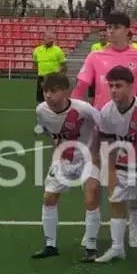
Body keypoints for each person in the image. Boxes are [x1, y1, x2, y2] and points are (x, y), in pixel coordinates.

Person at [72, 11, 137, 249]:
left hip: (132, 130)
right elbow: (82, 86)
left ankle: (134, 225)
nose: (110, 31)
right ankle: (91, 231)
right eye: (108, 27)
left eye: (116, 27)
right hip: (100, 127)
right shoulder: (95, 56)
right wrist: (74, 111)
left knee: (132, 182)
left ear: (128, 30)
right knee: (94, 180)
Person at [31, 73, 102, 261]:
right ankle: (50, 245)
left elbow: (104, 129)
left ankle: (91, 247)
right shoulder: (41, 111)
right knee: (49, 197)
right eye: (46, 91)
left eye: (53, 91)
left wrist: (96, 154)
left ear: (65, 92)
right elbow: (49, 133)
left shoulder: (84, 109)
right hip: (63, 160)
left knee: (90, 197)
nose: (48, 96)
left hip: (88, 158)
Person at [93, 66, 137, 263]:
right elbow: (107, 143)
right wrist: (111, 171)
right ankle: (117, 247)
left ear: (131, 86)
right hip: (122, 164)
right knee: (115, 202)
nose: (113, 90)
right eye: (111, 85)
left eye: (118, 86)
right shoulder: (106, 111)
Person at [32, 31, 67, 135]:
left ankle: (55, 124)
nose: (51, 40)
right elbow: (35, 63)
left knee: (55, 102)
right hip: (42, 78)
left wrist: (58, 77)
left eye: (53, 38)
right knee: (40, 101)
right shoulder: (37, 50)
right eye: (49, 38)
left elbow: (64, 65)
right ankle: (40, 124)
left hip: (53, 79)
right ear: (44, 38)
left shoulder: (58, 51)